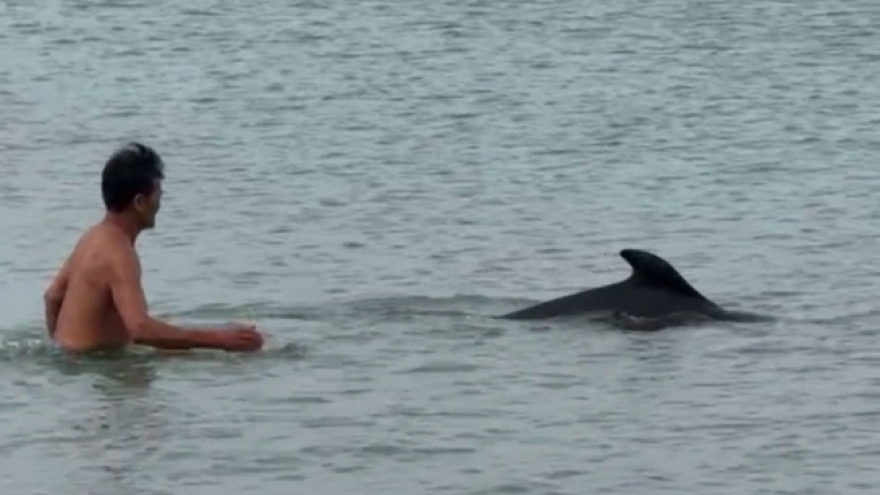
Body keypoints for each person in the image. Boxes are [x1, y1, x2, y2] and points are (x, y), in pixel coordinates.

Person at [43, 142, 264, 353]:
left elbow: (53, 297)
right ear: (139, 202)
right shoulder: (119, 254)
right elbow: (140, 328)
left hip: (77, 366)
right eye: (158, 194)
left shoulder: (91, 237)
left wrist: (61, 347)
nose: (160, 201)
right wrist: (220, 340)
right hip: (91, 367)